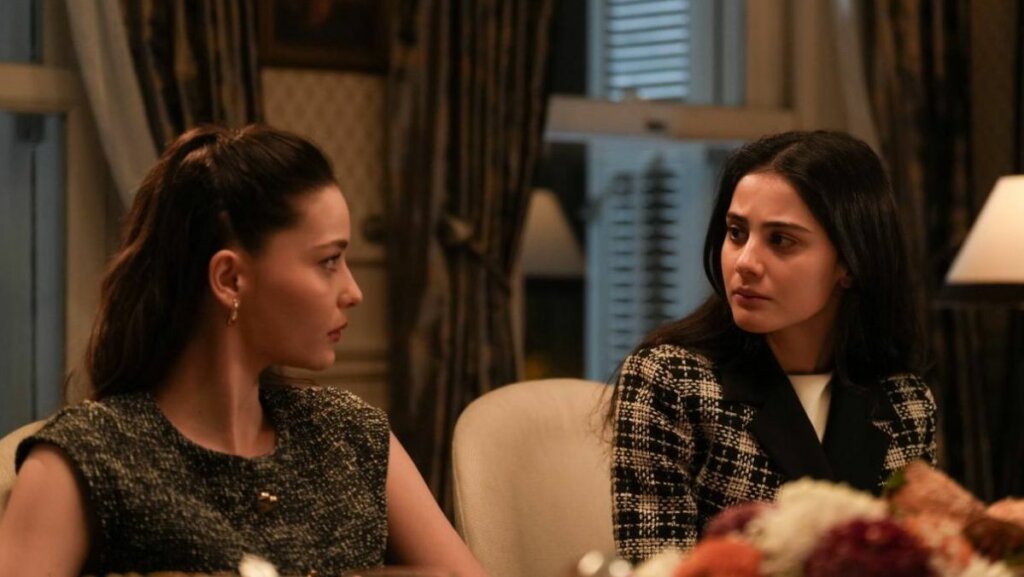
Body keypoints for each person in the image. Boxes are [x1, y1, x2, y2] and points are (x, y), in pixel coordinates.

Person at [0, 125, 488, 577]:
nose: (354, 291)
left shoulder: (350, 434)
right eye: (329, 261)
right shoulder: (91, 457)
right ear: (230, 279)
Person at [610, 130, 937, 563]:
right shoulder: (670, 380)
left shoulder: (906, 402)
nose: (745, 262)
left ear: (850, 262)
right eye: (736, 233)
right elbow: (655, 567)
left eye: (781, 240)